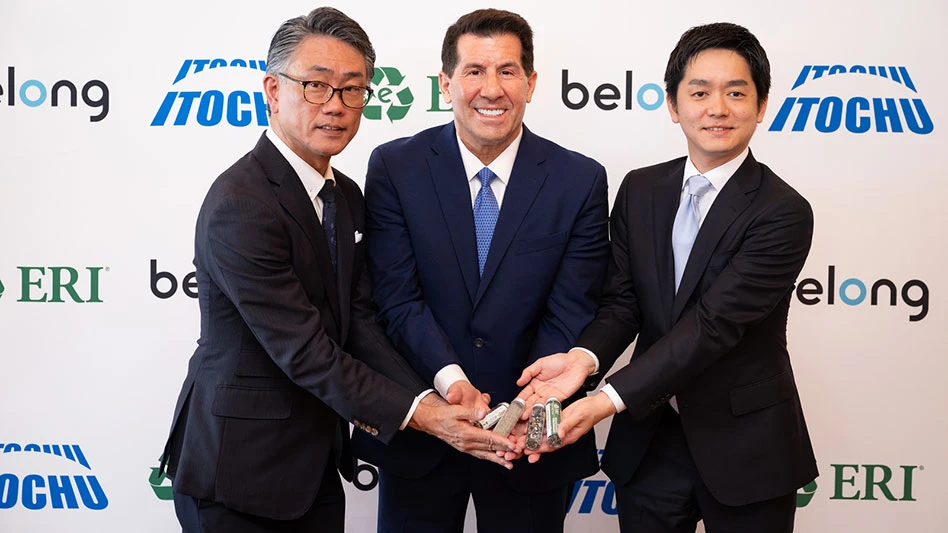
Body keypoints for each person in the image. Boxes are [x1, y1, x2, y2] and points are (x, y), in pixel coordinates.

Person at [158, 7, 517, 533]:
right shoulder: (241, 203)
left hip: (314, 465)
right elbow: (305, 351)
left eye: (353, 90)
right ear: (273, 91)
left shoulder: (344, 194)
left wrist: (440, 388)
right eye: (316, 86)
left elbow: (358, 318)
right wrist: (423, 416)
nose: (336, 106)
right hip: (238, 469)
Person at [518, 22, 818, 533]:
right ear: (675, 106)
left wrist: (604, 400)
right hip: (651, 440)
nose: (717, 108)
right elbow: (623, 303)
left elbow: (713, 325)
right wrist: (582, 360)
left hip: (747, 444)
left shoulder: (783, 211)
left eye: (736, 92)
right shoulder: (641, 189)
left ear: (762, 105)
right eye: (699, 92)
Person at [350, 8, 610, 533]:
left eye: (507, 71)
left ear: (531, 83)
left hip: (530, 439)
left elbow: (572, 309)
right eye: (474, 71)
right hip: (426, 430)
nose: (491, 88)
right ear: (446, 83)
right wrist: (451, 384)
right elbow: (395, 299)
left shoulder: (578, 179)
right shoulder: (394, 167)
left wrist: (525, 412)